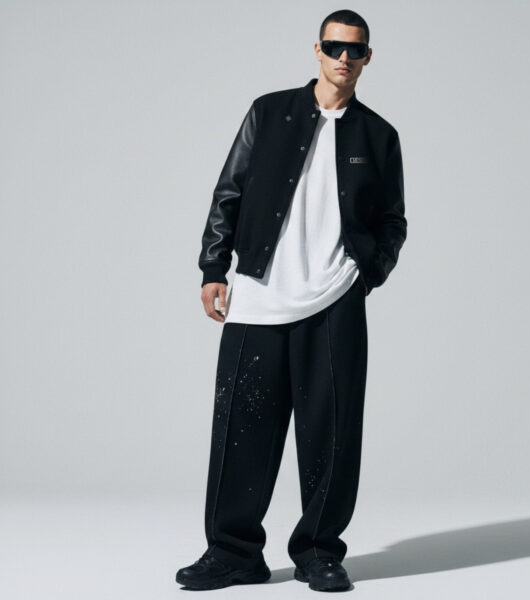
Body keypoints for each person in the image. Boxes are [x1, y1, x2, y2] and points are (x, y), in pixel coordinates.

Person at [176, 9, 407, 593]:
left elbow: (393, 221)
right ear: (317, 50)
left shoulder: (378, 135)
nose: (344, 58)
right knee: (241, 431)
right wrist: (213, 266)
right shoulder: (269, 112)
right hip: (259, 294)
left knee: (332, 435)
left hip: (334, 300)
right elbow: (229, 192)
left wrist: (365, 275)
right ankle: (232, 553)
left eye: (355, 50)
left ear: (368, 58)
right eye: (335, 46)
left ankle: (319, 553)